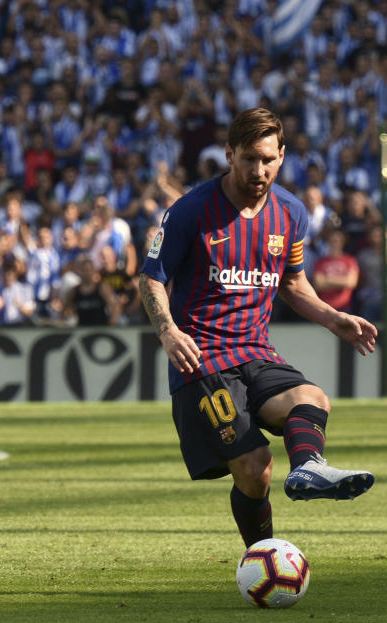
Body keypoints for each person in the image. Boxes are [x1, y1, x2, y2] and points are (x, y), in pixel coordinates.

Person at [139, 107, 376, 549]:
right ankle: (261, 553)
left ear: (282, 156)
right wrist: (169, 331)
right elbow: (151, 277)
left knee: (312, 398)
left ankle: (309, 466)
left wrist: (333, 317)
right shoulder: (190, 210)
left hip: (255, 350)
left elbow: (292, 281)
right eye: (249, 158)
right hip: (202, 361)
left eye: (268, 159)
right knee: (256, 467)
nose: (258, 169)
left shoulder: (291, 213)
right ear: (230, 154)